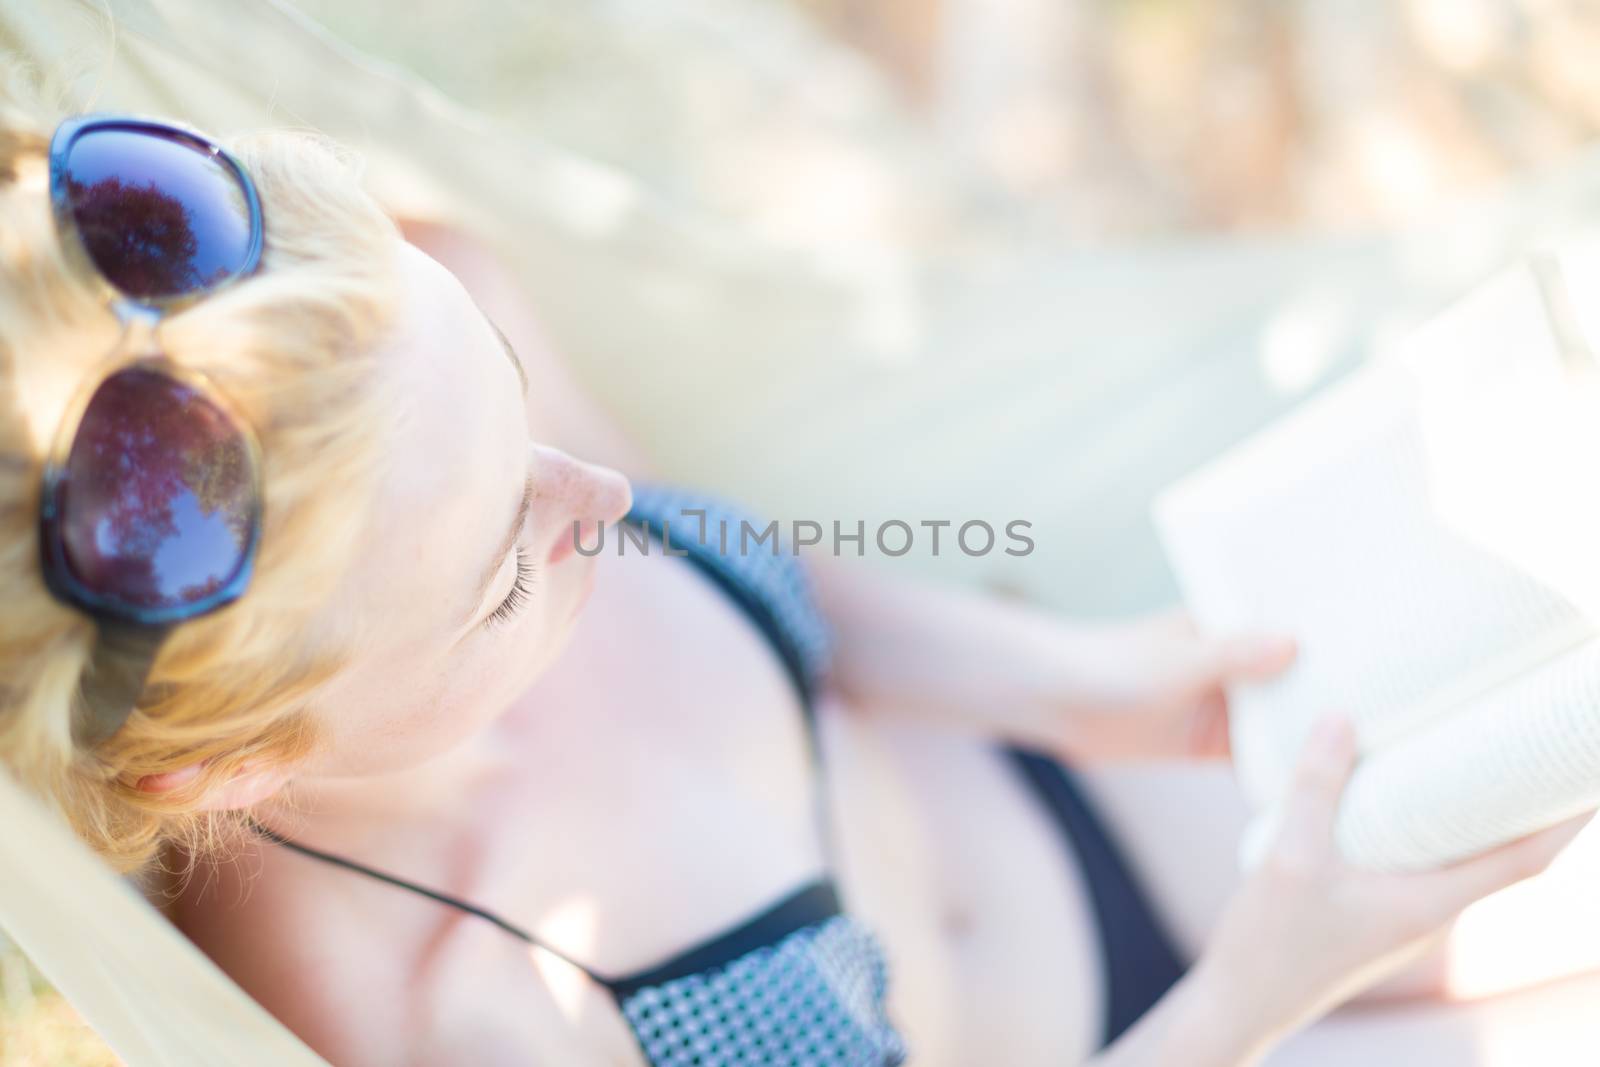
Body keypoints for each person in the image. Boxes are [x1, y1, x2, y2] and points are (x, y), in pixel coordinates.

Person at [1, 86, 1595, 1067]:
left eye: (509, 395)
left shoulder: (389, 388)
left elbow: (745, 564)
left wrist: (1077, 687)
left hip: (1078, 799)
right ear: (248, 758)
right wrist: (1259, 990)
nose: (601, 500)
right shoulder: (436, 1023)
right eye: (500, 574)